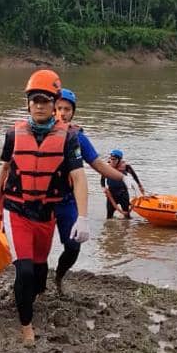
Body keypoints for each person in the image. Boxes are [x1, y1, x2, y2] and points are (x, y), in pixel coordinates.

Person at [0, 70, 89, 345]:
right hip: (16, 210)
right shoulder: (13, 134)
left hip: (46, 213)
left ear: (54, 103)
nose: (40, 105)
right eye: (35, 100)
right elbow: (5, 170)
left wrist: (82, 216)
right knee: (23, 270)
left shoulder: (69, 138)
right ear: (28, 104)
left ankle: (37, 292)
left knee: (39, 266)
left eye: (45, 100)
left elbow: (79, 178)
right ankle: (26, 326)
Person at [52, 88, 125, 293]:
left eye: (67, 109)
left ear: (73, 112)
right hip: (42, 199)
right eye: (59, 108)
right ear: (52, 109)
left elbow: (97, 163)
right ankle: (37, 280)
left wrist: (122, 177)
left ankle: (58, 276)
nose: (62, 113)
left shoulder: (76, 136)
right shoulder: (38, 133)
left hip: (67, 199)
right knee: (38, 250)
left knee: (73, 246)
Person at [100, 150, 143, 219]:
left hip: (123, 193)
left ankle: (126, 224)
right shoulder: (107, 167)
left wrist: (140, 186)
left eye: (114, 159)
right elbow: (102, 180)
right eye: (111, 159)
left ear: (119, 159)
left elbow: (134, 176)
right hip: (111, 193)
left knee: (127, 216)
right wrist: (103, 188)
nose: (112, 161)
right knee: (109, 217)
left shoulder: (126, 167)